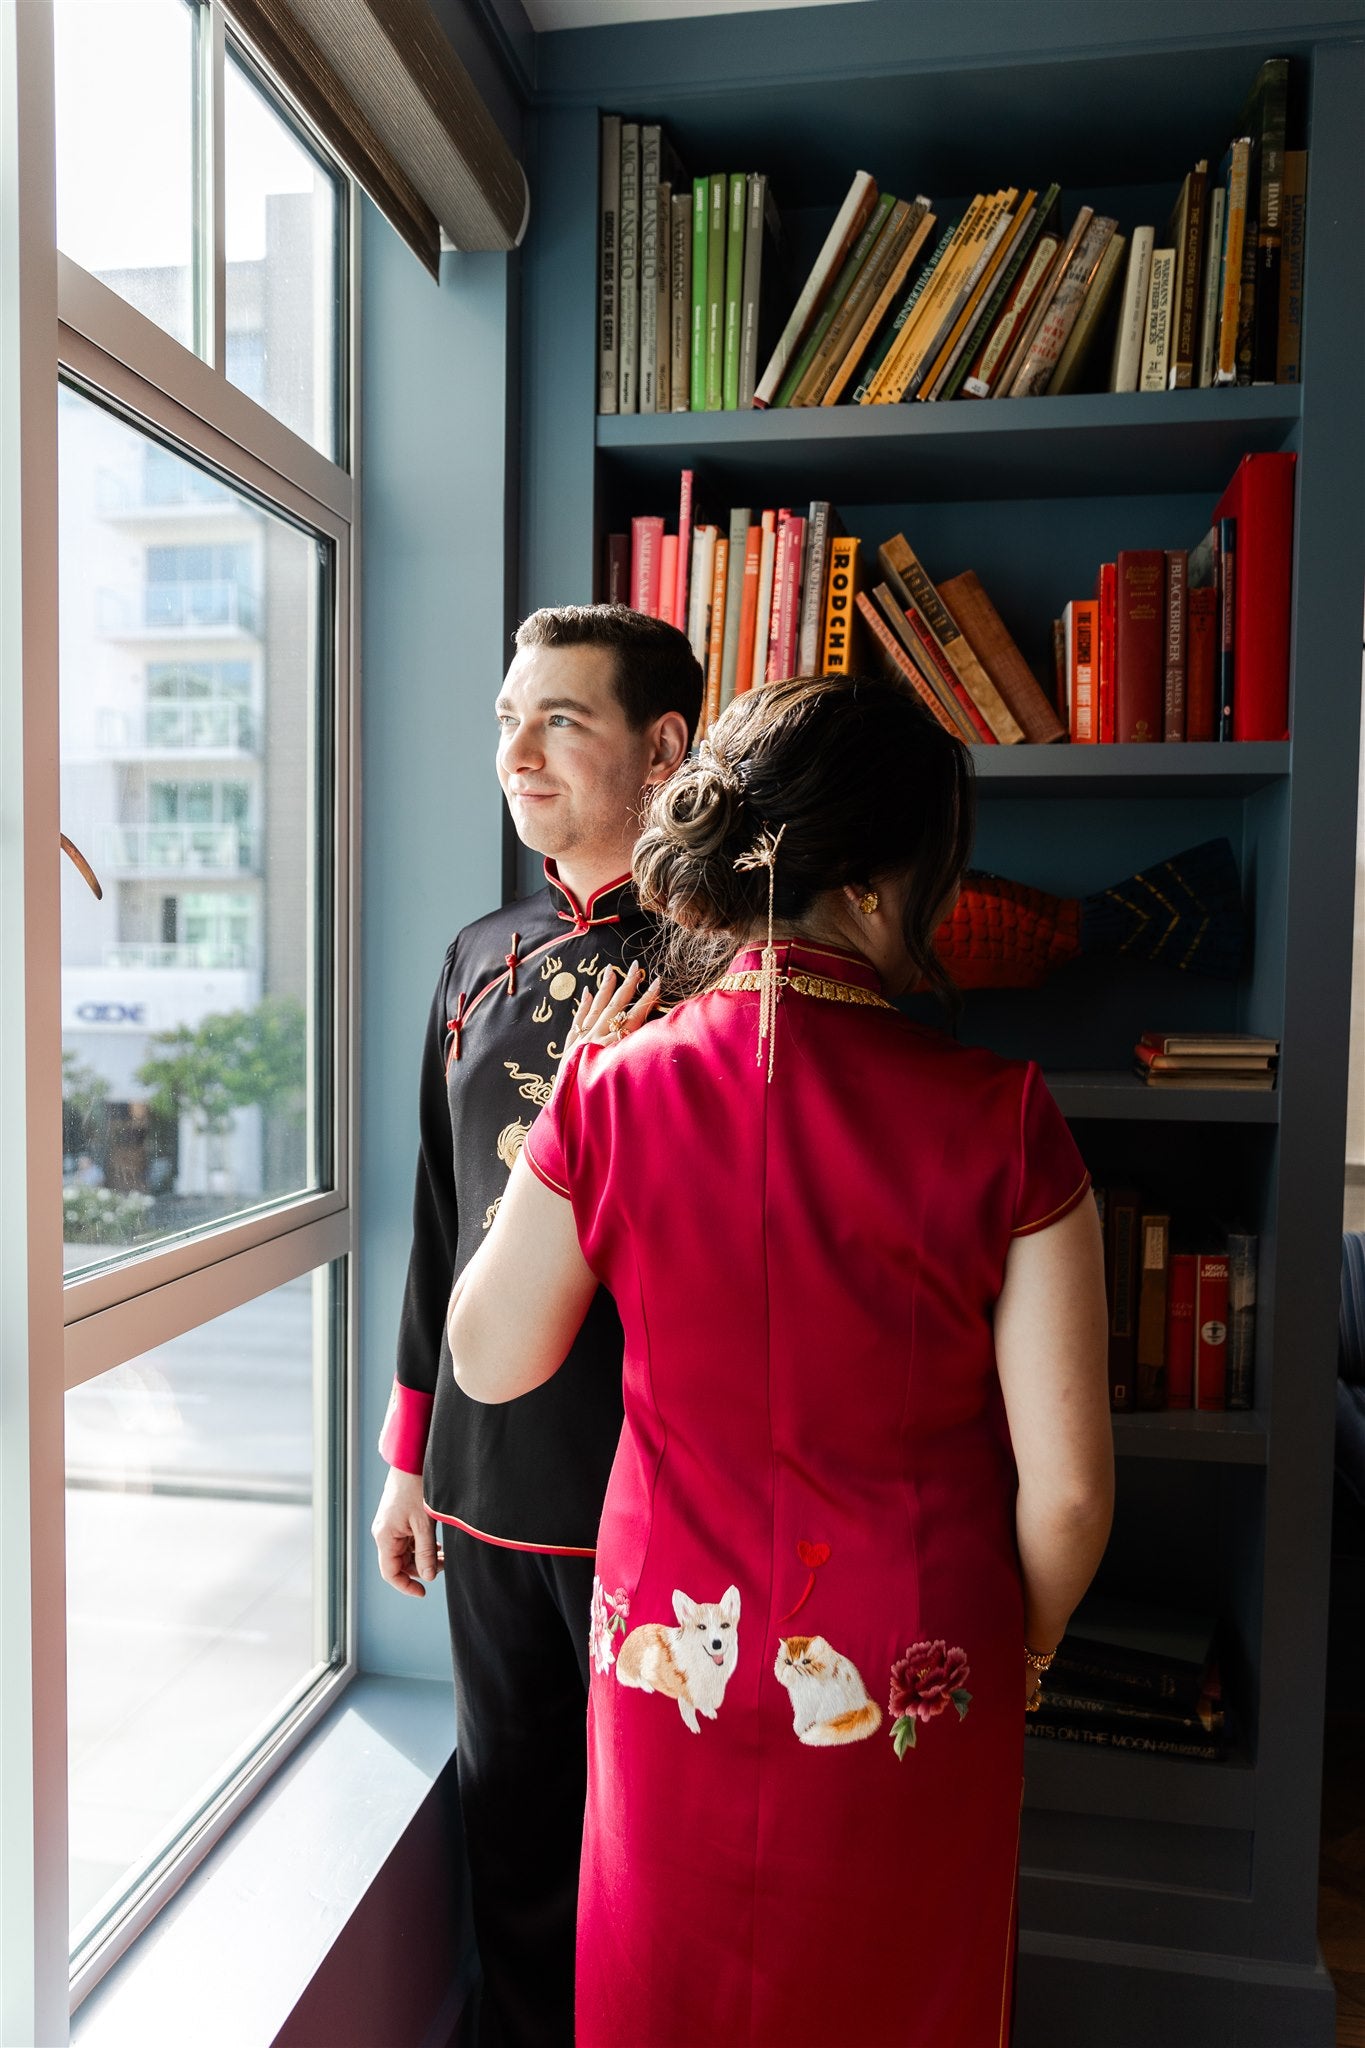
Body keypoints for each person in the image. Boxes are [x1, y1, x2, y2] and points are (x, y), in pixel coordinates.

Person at [445, 672, 1114, 2046]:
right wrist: (1022, 1646)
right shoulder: (1002, 1119)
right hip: (913, 1661)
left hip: (667, 1656)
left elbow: (490, 1360)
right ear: (881, 887)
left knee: (664, 1992)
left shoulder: (614, 1090)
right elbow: (1064, 1499)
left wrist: (578, 1086)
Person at [370, 605, 701, 2048]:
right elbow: (440, 1211)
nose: (515, 750)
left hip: (664, 1498)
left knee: (663, 1870)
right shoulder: (476, 954)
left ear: (662, 747)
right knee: (511, 1843)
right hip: (490, 1491)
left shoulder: (720, 962)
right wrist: (407, 1459)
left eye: (560, 718)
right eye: (509, 717)